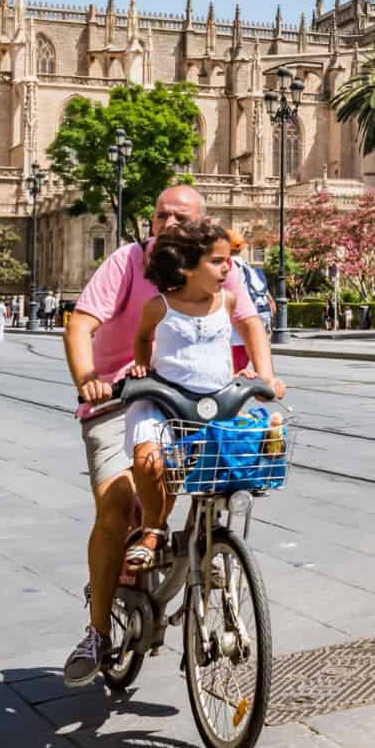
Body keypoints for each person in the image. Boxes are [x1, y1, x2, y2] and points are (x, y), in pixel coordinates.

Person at [59, 184, 284, 689]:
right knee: (119, 506)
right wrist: (88, 380)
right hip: (123, 398)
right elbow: (79, 326)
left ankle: (209, 557)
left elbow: (250, 324)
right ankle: (97, 632)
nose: (167, 224)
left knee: (232, 471)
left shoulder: (219, 271)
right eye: (160, 215)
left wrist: (265, 376)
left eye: (179, 218)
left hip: (199, 401)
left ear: (203, 228)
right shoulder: (125, 263)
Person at [121, 218, 246, 571]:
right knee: (150, 461)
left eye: (227, 260)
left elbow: (231, 341)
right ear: (186, 267)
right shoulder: (159, 306)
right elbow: (144, 337)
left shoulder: (228, 301)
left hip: (213, 402)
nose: (227, 268)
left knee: (226, 468)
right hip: (164, 401)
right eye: (217, 261)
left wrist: (249, 372)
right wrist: (142, 367)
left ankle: (211, 541)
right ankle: (154, 527)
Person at [225, 228, 274, 374]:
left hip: (235, 331)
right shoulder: (250, 268)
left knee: (233, 375)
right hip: (255, 327)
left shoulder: (228, 267)